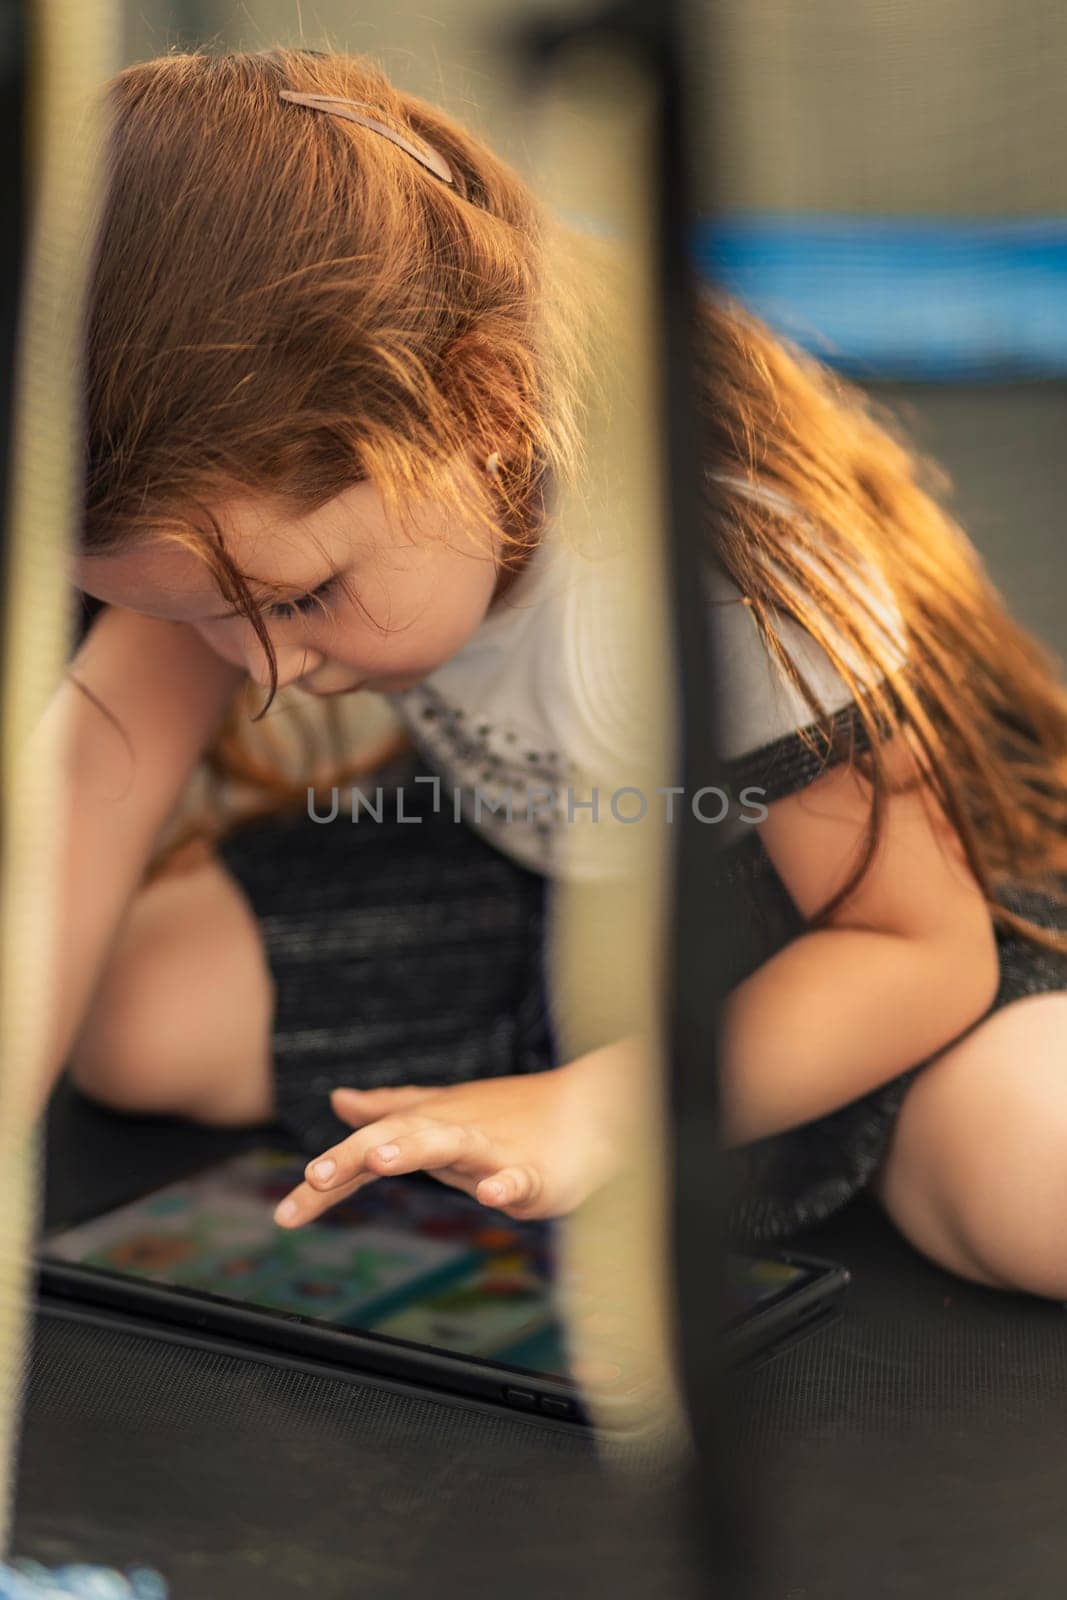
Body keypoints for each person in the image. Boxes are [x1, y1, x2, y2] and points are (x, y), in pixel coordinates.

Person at [48, 48, 1067, 1300]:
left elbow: (917, 948)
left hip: (838, 925)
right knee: (136, 1020)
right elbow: (90, 777)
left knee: (1034, 1173)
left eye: (301, 599)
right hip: (554, 872)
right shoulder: (237, 502)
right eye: (196, 619)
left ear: (480, 405)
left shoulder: (716, 556)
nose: (265, 674)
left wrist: (592, 1109)